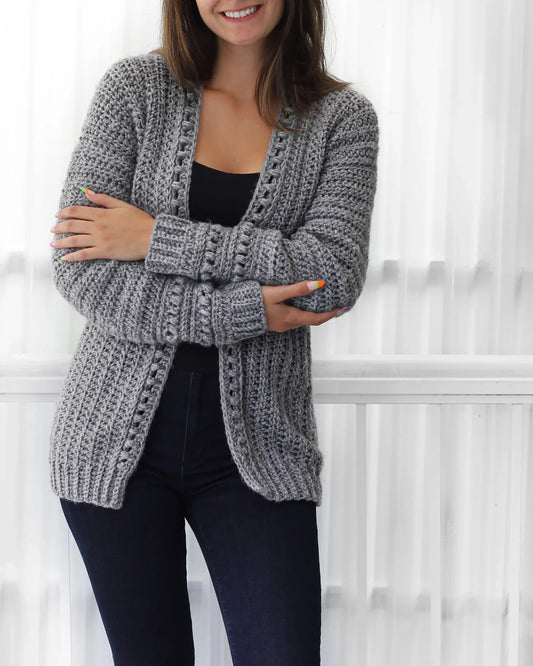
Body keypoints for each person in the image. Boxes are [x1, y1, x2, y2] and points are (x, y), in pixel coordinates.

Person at [48, 0, 379, 663]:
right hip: (114, 446)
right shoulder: (135, 91)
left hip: (259, 451)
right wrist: (247, 310)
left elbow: (330, 275)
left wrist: (154, 237)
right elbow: (83, 271)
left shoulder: (341, 120)